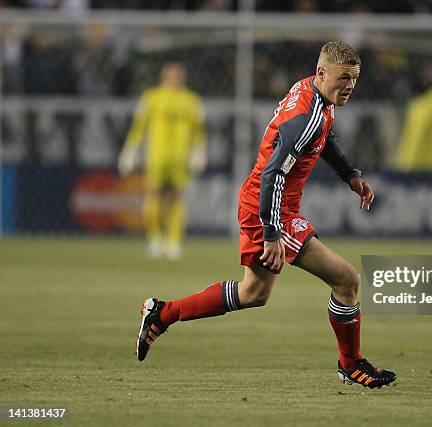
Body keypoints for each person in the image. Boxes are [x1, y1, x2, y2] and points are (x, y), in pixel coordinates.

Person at [135, 42, 397, 389]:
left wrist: (349, 174)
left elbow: (323, 137)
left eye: (354, 79)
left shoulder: (313, 93)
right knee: (347, 280)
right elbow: (275, 173)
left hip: (264, 204)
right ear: (322, 73)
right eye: (344, 78)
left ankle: (162, 313)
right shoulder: (306, 116)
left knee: (254, 293)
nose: (350, 86)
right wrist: (272, 232)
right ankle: (350, 364)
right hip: (270, 208)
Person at [118, 61, 207, 259]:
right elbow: (139, 126)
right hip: (157, 156)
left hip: (180, 158)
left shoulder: (192, 101)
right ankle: (155, 238)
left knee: (177, 197)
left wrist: (199, 151)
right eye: (171, 74)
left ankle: (174, 241)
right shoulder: (151, 98)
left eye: (178, 74)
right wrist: (130, 149)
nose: (175, 77)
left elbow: (198, 131)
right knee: (153, 196)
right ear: (163, 76)